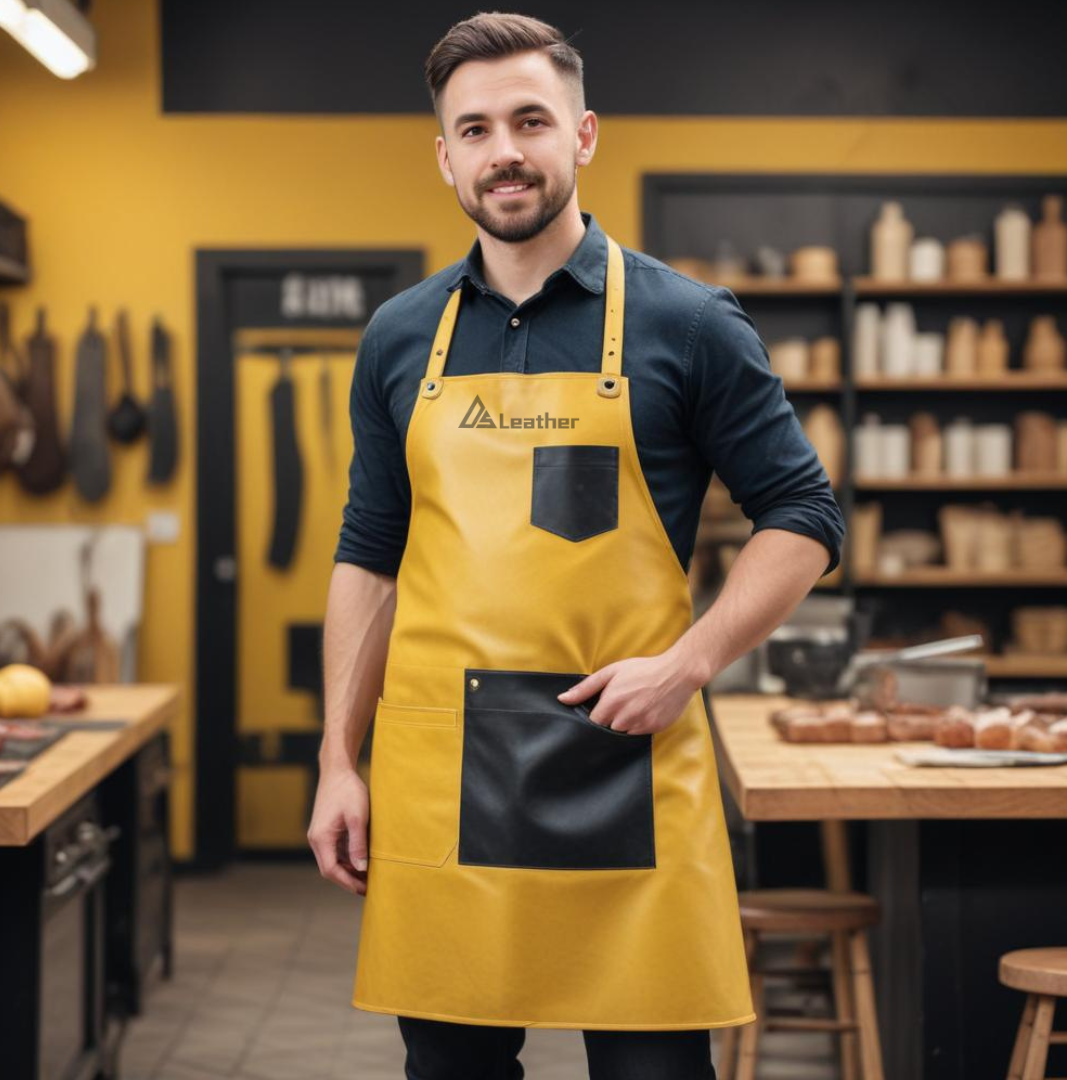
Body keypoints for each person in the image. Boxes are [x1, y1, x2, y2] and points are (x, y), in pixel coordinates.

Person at [308, 12, 845, 1079]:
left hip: (626, 759)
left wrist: (690, 664)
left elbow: (805, 516)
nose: (502, 149)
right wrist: (337, 758)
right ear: (445, 154)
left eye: (529, 119)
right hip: (443, 773)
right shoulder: (400, 335)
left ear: (583, 136)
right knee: (452, 1067)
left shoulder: (688, 323)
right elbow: (371, 558)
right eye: (474, 129)